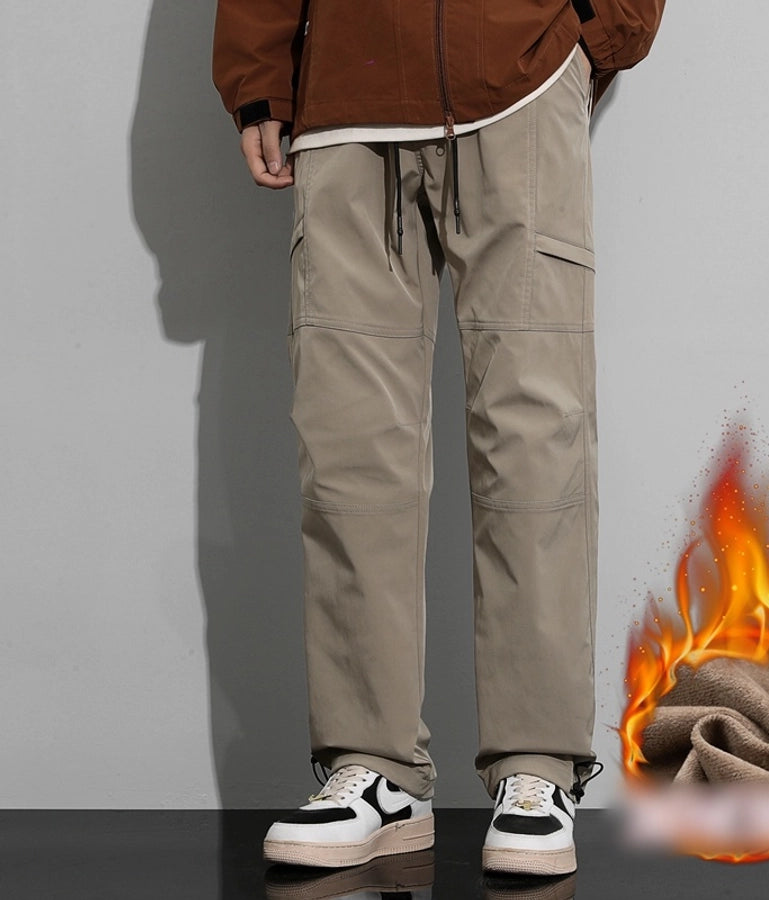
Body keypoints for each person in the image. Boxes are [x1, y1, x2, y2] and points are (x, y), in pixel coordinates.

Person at [213, 0, 664, 877]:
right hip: (346, 91)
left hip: (522, 73)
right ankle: (374, 769)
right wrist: (257, 74)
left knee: (535, 438)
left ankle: (538, 766)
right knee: (349, 448)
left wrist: (596, 32)